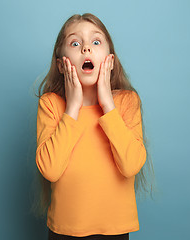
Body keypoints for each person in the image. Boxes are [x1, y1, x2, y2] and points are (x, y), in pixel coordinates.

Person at [33, 13, 156, 239]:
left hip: (115, 231)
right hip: (64, 231)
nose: (86, 49)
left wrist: (108, 104)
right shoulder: (50, 105)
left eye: (96, 42)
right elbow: (50, 170)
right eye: (75, 43)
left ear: (110, 60)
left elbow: (131, 166)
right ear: (61, 65)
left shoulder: (127, 102)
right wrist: (72, 108)